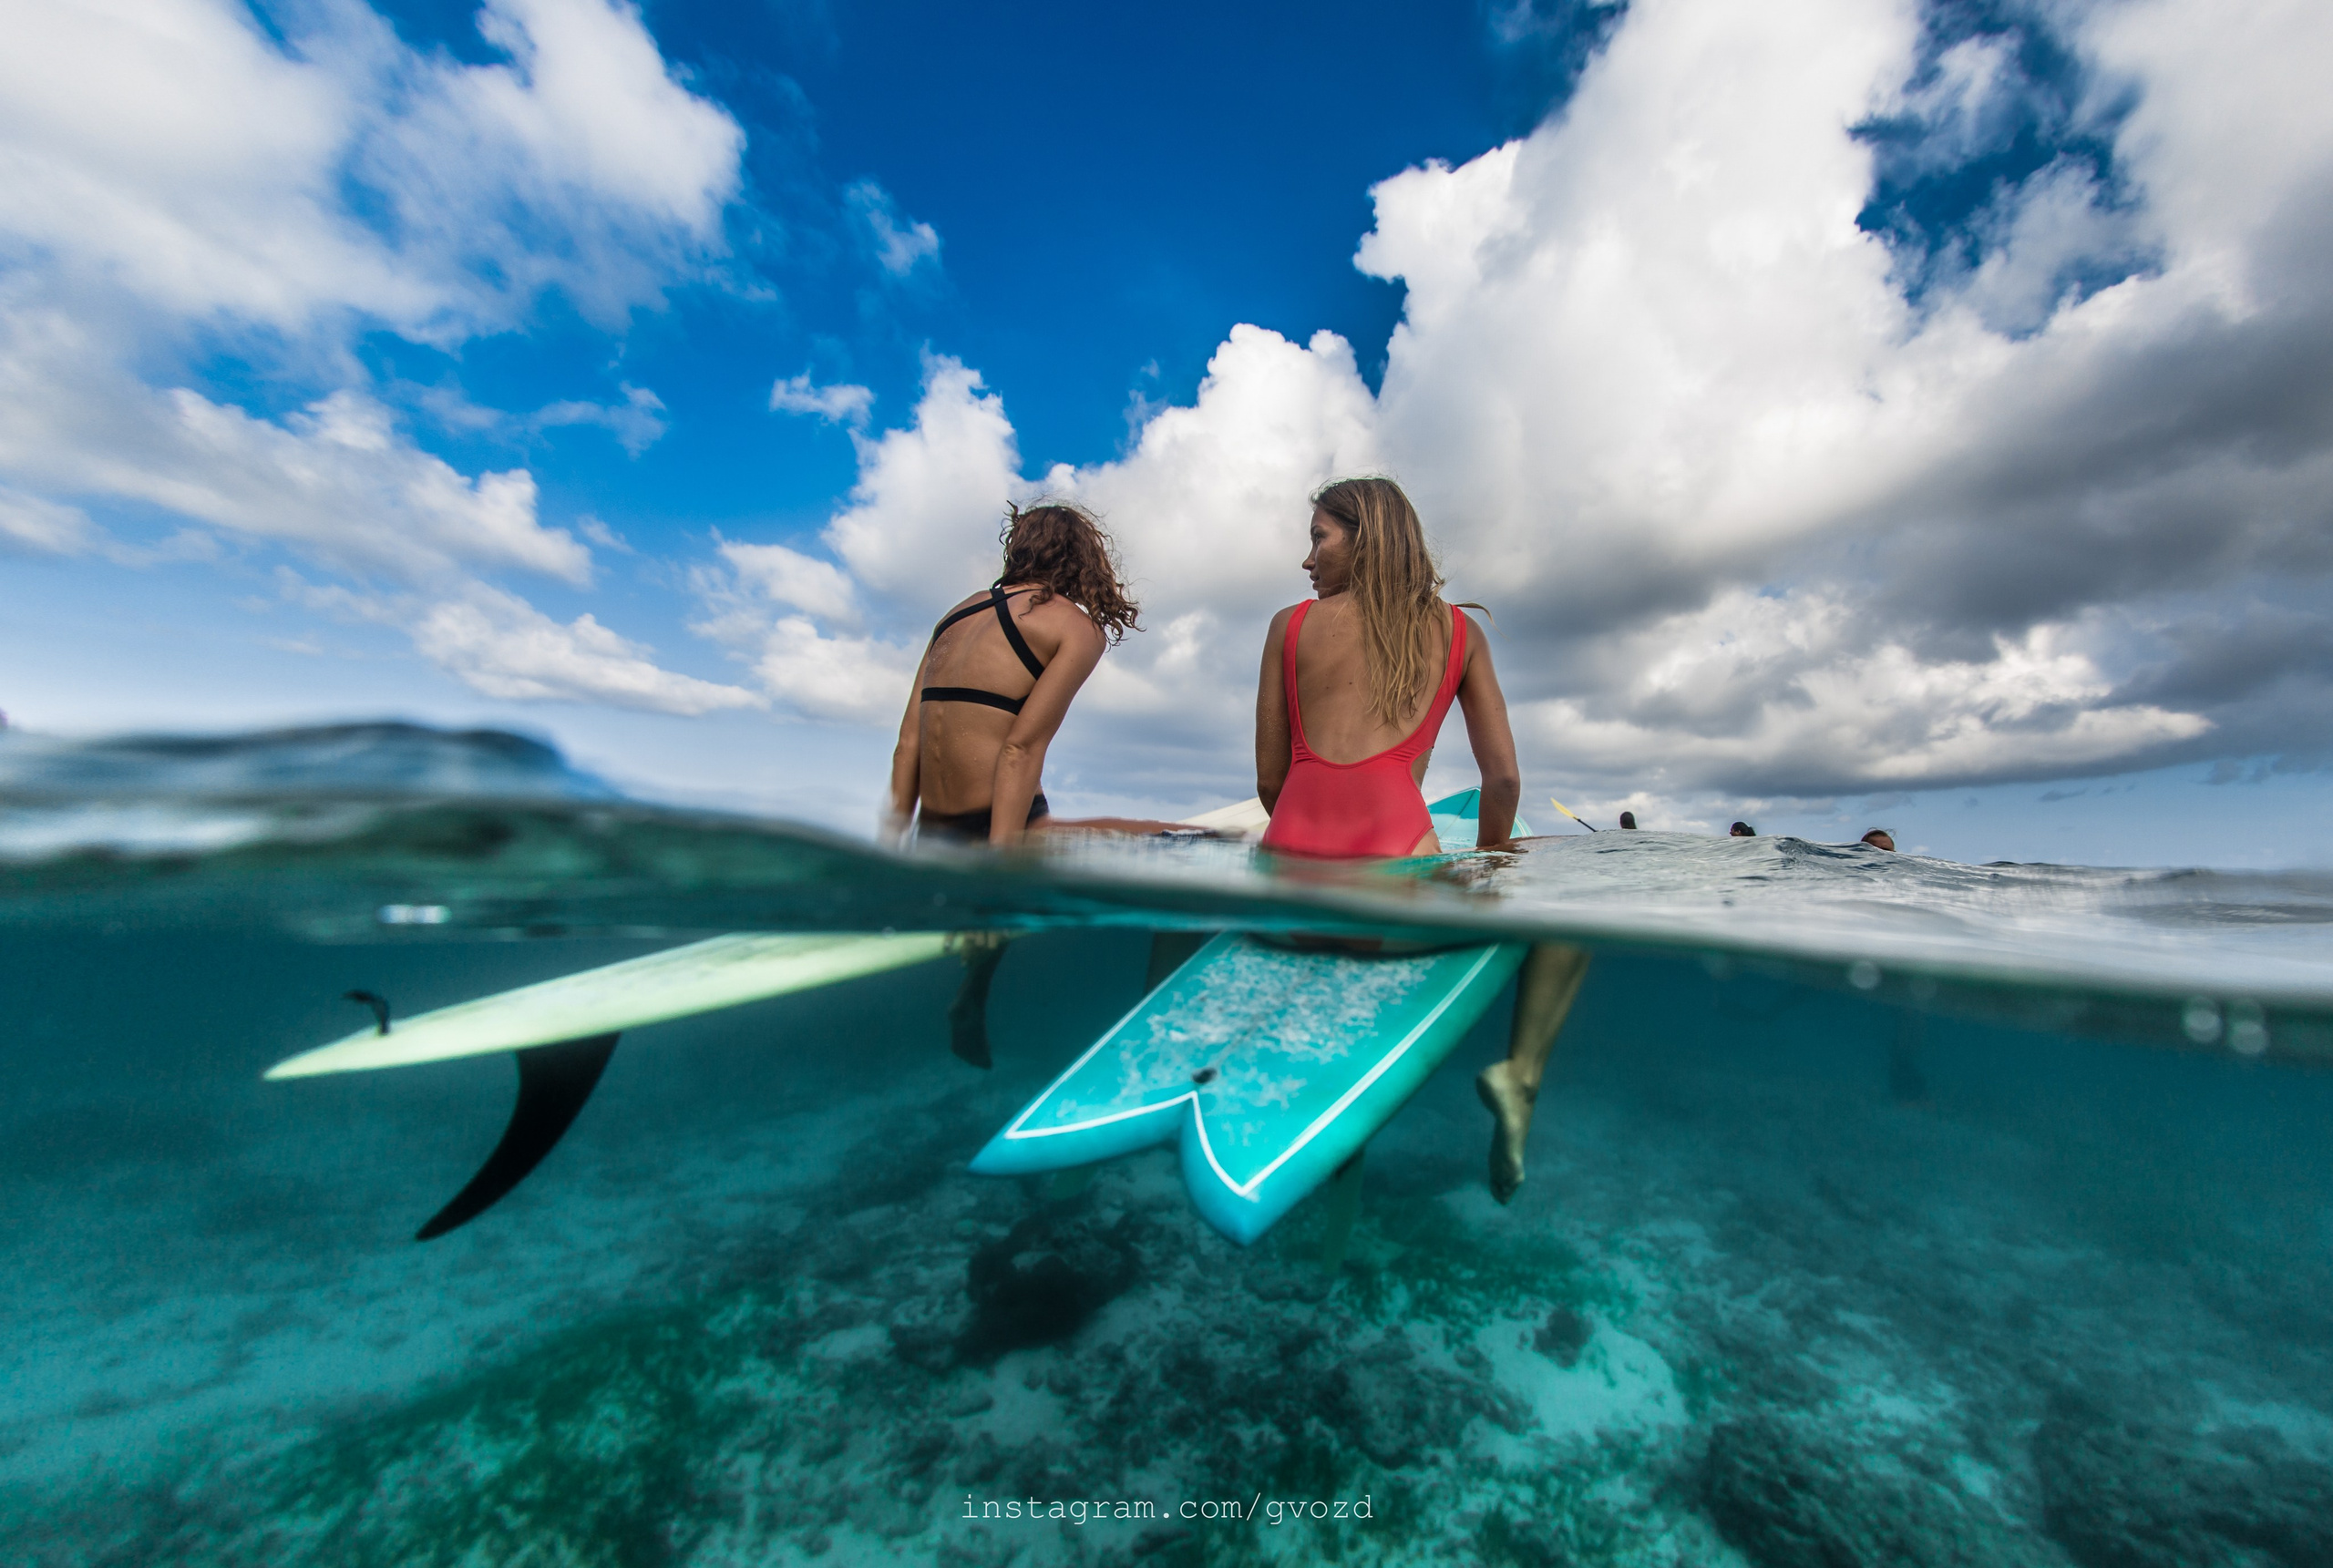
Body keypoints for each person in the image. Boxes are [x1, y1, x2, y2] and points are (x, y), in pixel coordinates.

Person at [1250, 476, 1586, 1204]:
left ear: (1363, 536)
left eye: (1318, 537)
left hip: (1279, 905)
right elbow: (1502, 782)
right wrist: (1491, 866)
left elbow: (1272, 784)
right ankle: (1519, 1075)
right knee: (1577, 902)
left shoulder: (1288, 625)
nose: (1306, 560)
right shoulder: (1460, 633)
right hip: (1389, 901)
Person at [887, 501, 1139, 848]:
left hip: (930, 832)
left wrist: (891, 846)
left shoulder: (954, 617)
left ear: (1018, 549)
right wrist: (1000, 859)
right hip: (1001, 822)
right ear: (1081, 559)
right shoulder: (1075, 628)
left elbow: (907, 746)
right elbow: (1020, 748)